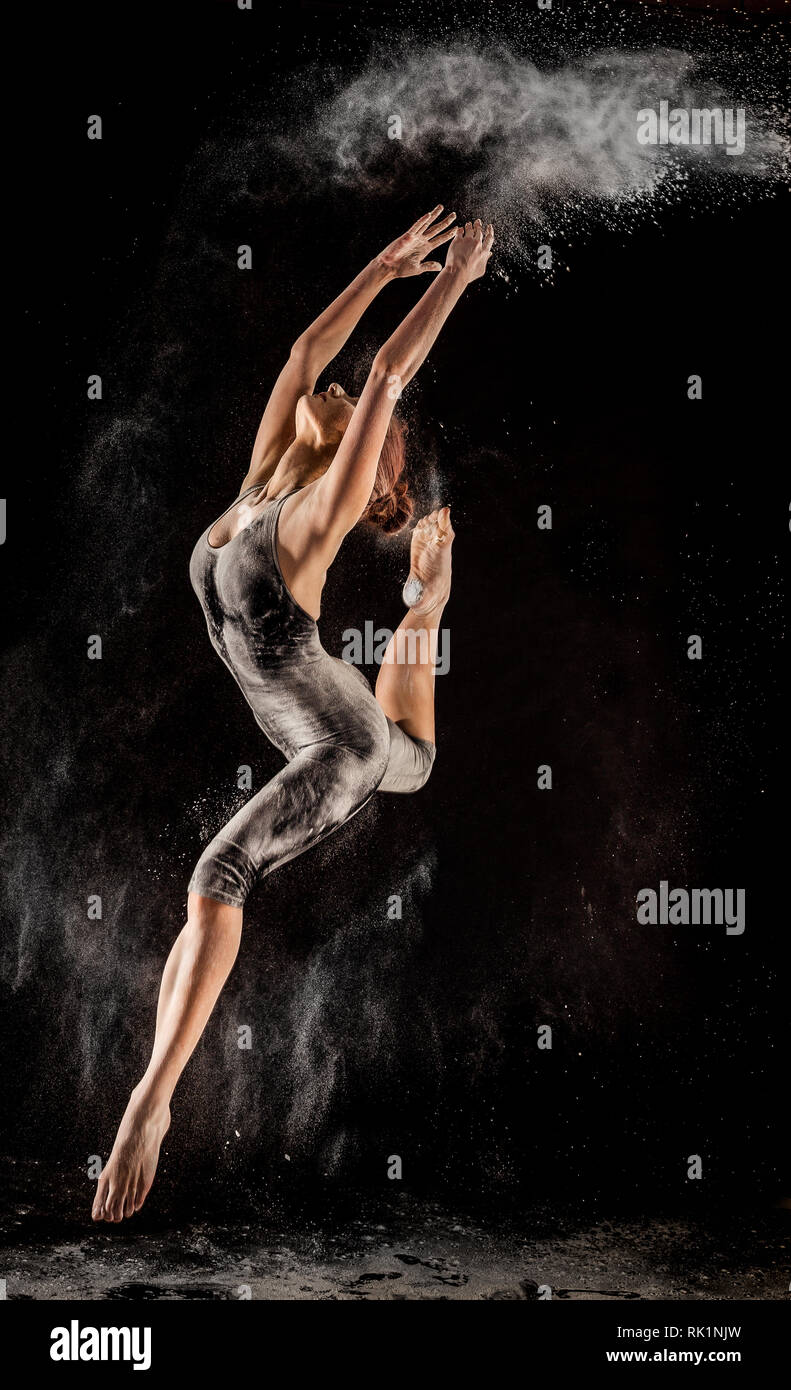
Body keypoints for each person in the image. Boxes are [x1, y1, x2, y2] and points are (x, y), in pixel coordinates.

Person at [92, 207, 494, 1221]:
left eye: (357, 404)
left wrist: (453, 282)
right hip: (325, 722)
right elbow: (305, 349)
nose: (341, 385)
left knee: (225, 865)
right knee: (406, 750)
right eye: (342, 390)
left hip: (339, 740)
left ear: (364, 475)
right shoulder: (262, 480)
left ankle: (152, 1102)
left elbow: (388, 376)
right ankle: (428, 603)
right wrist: (383, 266)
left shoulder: (315, 515)